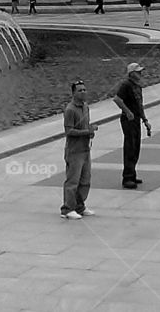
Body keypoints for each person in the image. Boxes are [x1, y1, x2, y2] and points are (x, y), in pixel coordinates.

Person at [60, 79, 97, 219]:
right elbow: (69, 131)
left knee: (85, 180)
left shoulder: (86, 107)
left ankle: (79, 206)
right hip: (74, 151)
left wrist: (90, 130)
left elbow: (85, 126)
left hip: (85, 149)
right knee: (72, 181)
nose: (83, 92)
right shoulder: (70, 110)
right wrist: (87, 132)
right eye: (80, 90)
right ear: (73, 93)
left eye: (84, 90)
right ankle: (67, 209)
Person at [111, 63, 151, 189]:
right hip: (128, 120)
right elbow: (117, 99)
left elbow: (139, 105)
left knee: (136, 147)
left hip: (137, 120)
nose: (140, 73)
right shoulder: (126, 85)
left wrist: (145, 120)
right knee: (130, 147)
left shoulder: (138, 87)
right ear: (131, 73)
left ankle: (132, 174)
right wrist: (127, 112)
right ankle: (127, 177)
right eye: (138, 72)